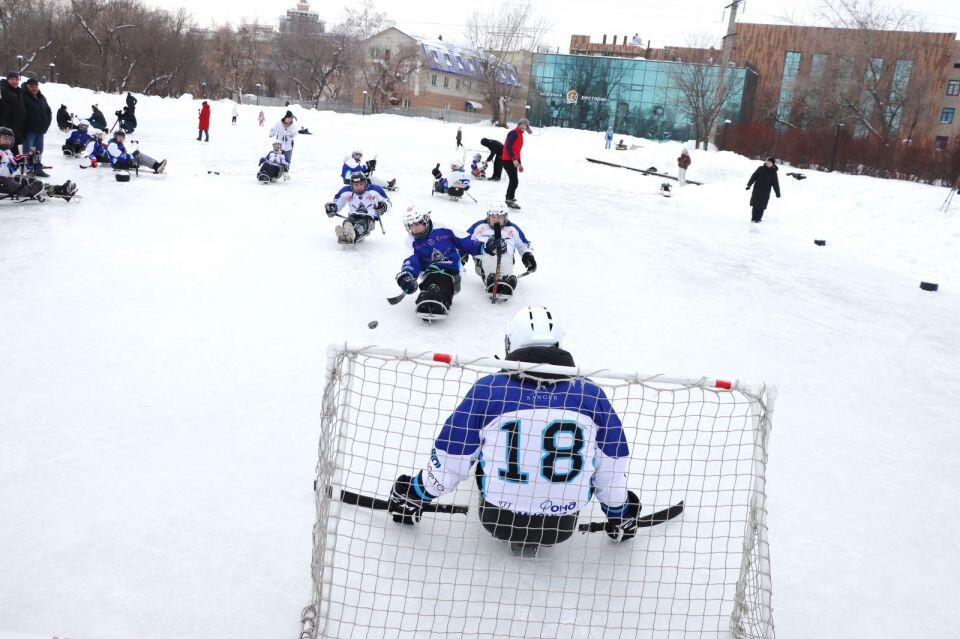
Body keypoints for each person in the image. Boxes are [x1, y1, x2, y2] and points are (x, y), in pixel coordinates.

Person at [388, 305, 639, 556]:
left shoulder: (489, 390)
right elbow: (611, 465)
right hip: (561, 524)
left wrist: (415, 493)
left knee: (483, 447)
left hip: (498, 516)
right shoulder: (591, 394)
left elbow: (452, 457)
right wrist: (620, 512)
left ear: (511, 342)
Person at [394, 207, 489, 317]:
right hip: (429, 273)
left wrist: (485, 246)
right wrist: (407, 275)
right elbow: (411, 260)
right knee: (430, 281)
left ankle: (441, 301)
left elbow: (465, 241)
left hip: (451, 271)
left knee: (443, 280)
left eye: (417, 224)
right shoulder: (410, 240)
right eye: (411, 226)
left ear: (425, 220)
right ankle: (425, 297)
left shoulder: (443, 229)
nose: (414, 229)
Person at [465, 206, 536, 298]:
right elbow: (464, 238)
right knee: (489, 256)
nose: (496, 220)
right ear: (488, 217)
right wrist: (462, 252)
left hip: (506, 255)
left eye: (499, 217)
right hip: (484, 255)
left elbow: (524, 244)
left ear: (505, 218)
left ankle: (506, 281)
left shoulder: (512, 229)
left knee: (506, 258)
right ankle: (491, 280)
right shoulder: (480, 226)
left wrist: (528, 255)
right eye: (493, 217)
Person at [1, 126, 77, 201]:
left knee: (31, 181)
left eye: (10, 139)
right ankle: (29, 190)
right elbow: (2, 172)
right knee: (4, 180)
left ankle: (55, 189)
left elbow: (13, 172)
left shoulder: (7, 152)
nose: (8, 140)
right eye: (5, 138)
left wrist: (28, 162)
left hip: (6, 181)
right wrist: (14, 164)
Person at [324, 171, 391, 244]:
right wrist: (333, 208)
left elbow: (388, 202)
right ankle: (344, 234)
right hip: (354, 215)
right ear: (352, 185)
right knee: (348, 222)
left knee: (361, 224)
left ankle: (352, 236)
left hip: (369, 218)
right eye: (356, 185)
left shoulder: (375, 190)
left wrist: (384, 206)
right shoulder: (345, 191)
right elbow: (338, 203)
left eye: (361, 184)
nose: (359, 187)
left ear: (365, 182)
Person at [22, 78, 52, 177]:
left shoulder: (41, 97)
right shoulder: (23, 96)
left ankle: (37, 168)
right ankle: (29, 170)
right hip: (29, 130)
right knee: (28, 151)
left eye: (35, 86)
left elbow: (48, 111)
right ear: (27, 86)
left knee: (38, 151)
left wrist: (46, 124)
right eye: (31, 86)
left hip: (40, 130)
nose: (34, 88)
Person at [501, 118, 530, 210]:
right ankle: (509, 199)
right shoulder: (513, 133)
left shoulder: (520, 135)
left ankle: (510, 198)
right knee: (514, 181)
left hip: (513, 160)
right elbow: (508, 146)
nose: (523, 126)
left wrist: (520, 164)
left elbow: (517, 150)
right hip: (508, 160)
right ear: (518, 124)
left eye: (525, 126)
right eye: (522, 124)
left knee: (514, 181)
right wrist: (514, 159)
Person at [746, 157, 781, 223]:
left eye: (770, 162)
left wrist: (777, 193)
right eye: (767, 162)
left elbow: (775, 183)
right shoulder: (760, 169)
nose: (768, 163)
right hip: (757, 190)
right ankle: (753, 218)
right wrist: (749, 185)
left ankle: (758, 219)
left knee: (762, 206)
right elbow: (753, 176)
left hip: (766, 192)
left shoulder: (773, 173)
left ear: (772, 164)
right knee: (755, 205)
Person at [0, 72, 26, 155]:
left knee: (14, 152)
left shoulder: (18, 91)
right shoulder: (2, 89)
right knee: (7, 153)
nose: (15, 81)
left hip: (16, 127)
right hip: (5, 128)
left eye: (16, 79)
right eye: (12, 79)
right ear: (7, 80)